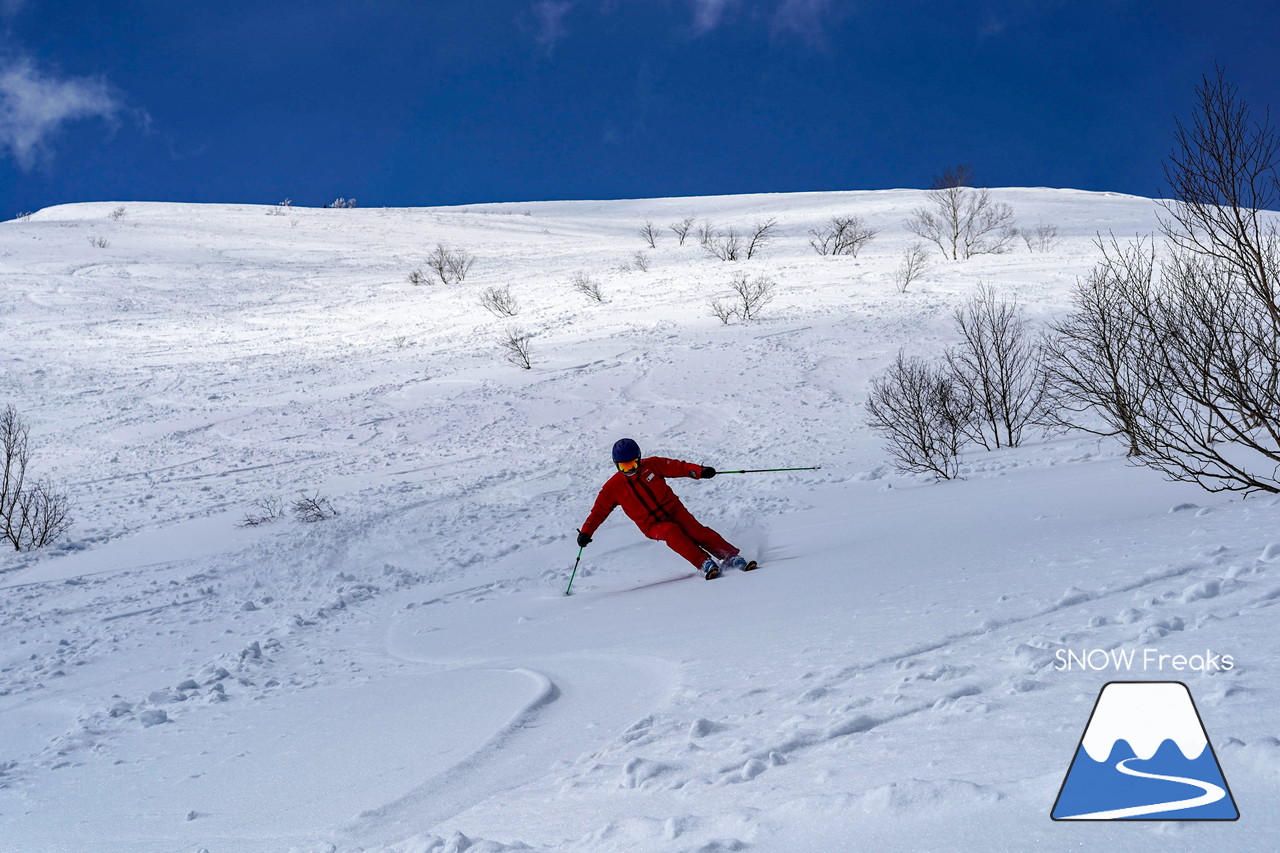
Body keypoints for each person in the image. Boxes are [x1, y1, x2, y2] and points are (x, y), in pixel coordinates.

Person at [576, 438, 756, 580]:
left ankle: (730, 556)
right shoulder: (613, 487)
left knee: (696, 531)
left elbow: (679, 467)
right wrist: (586, 533)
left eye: (633, 465)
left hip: (674, 510)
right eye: (624, 467)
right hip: (652, 525)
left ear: (639, 459)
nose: (630, 470)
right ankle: (704, 563)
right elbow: (598, 512)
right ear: (616, 465)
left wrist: (700, 471)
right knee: (672, 532)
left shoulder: (652, 465)